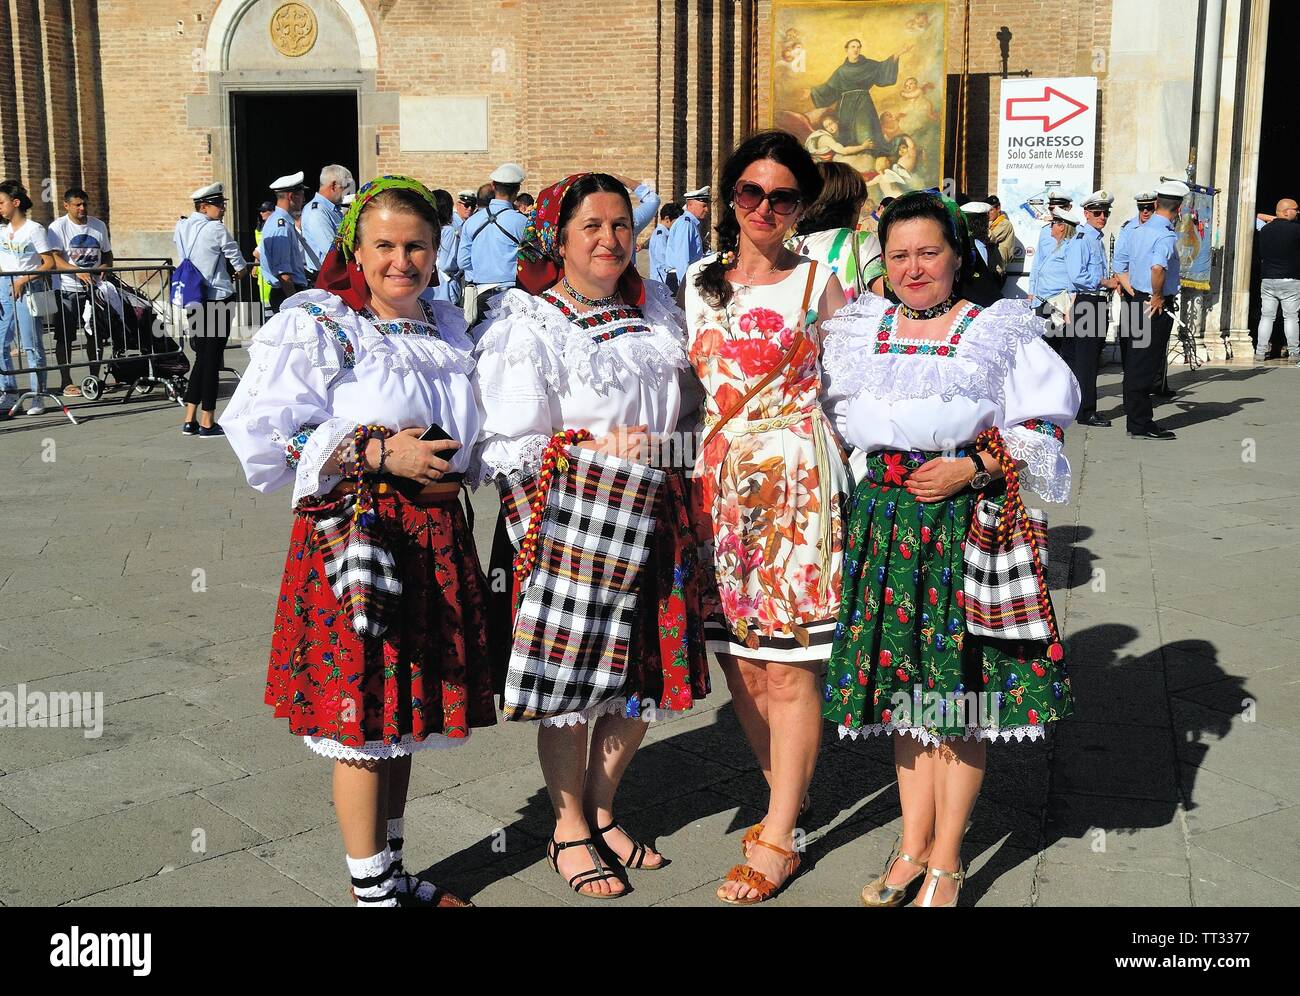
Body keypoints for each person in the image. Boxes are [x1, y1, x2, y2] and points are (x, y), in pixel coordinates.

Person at [222, 176, 491, 908]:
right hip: (357, 538)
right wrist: (374, 451)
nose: (401, 261)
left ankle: (393, 872)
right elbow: (268, 430)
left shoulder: (446, 326)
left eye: (417, 246)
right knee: (363, 721)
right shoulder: (321, 325)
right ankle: (371, 893)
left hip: (433, 536)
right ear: (355, 250)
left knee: (401, 718)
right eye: (385, 246)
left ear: (437, 252)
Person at [820, 190, 1080, 907]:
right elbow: (836, 420)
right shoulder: (859, 329)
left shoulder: (997, 331)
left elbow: (1048, 426)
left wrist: (977, 466)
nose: (913, 267)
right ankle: (910, 848)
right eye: (899, 254)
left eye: (928, 251)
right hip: (884, 526)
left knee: (955, 701)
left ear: (958, 257)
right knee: (908, 700)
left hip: (962, 526)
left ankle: (948, 859)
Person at [474, 173, 710, 898]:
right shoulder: (530, 325)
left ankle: (605, 807)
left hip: (657, 517)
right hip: (576, 527)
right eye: (592, 228)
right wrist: (598, 449)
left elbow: (690, 412)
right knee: (574, 684)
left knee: (645, 676)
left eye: (619, 225)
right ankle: (568, 824)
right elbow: (506, 446)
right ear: (559, 239)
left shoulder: (658, 312)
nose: (610, 240)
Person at [684, 130, 847, 904]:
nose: (764, 208)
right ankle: (790, 788)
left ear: (801, 205)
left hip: (792, 487)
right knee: (739, 660)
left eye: (782, 196)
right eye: (750, 192)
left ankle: (779, 832)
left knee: (789, 666)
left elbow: (854, 389)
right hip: (715, 488)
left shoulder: (821, 285)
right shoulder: (694, 281)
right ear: (729, 197)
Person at [173, 182, 248, 437]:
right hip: (217, 298)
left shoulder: (181, 225)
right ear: (204, 207)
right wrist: (239, 271)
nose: (223, 209)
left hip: (194, 296)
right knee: (211, 359)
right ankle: (207, 421)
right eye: (219, 205)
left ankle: (189, 418)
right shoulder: (216, 229)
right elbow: (236, 257)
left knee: (202, 358)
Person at [1122, 180, 1186, 440]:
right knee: (1146, 364)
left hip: (1137, 300)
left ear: (1157, 203)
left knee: (1136, 362)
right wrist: (1158, 295)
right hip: (1153, 305)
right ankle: (1141, 423)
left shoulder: (1138, 230)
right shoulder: (1166, 235)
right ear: (1179, 207)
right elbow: (1158, 267)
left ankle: (1135, 419)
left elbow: (1124, 264)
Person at [48, 187, 112, 398]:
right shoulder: (57, 227)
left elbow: (107, 254)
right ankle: (66, 381)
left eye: (85, 204)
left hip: (94, 289)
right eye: (77, 205)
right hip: (67, 289)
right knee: (65, 337)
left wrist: (104, 267)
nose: (82, 208)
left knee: (95, 333)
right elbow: (54, 259)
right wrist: (77, 272)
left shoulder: (98, 225)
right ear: (66, 206)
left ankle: (94, 377)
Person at [787, 160, 882, 300]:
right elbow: (888, 301)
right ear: (851, 203)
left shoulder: (785, 248)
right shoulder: (861, 243)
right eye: (860, 201)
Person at [0, 180, 55, 416]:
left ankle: (37, 396)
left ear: (15, 202)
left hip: (28, 288)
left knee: (32, 346)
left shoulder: (34, 229)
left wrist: (24, 279)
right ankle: (9, 391)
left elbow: (49, 262)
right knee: (1, 343)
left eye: (1, 202)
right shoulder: (3, 231)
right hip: (4, 287)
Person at [810, 38, 913, 154]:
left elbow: (884, 68)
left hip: (864, 104)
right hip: (846, 107)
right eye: (853, 47)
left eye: (858, 47)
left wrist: (899, 53)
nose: (856, 49)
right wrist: (812, 92)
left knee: (866, 133)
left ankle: (869, 159)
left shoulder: (868, 65)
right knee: (846, 136)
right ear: (846, 50)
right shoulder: (841, 71)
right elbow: (830, 88)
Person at [458, 163, 529, 323]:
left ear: (493, 186)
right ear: (517, 190)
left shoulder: (471, 222)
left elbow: (463, 262)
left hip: (481, 291)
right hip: (512, 291)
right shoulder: (522, 221)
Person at [1067, 190, 1114, 426]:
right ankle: (1086, 411)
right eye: (1097, 213)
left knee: (1091, 358)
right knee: (1086, 361)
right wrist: (1104, 281)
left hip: (1097, 302)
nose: (1102, 217)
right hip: (1087, 302)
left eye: (1105, 212)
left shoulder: (1096, 239)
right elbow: (1077, 275)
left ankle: (1082, 408)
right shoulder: (1082, 239)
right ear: (1086, 214)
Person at [1028, 205, 1083, 350]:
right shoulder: (1058, 247)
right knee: (1045, 346)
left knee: (1053, 348)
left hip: (1056, 305)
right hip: (1044, 302)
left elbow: (1073, 279)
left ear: (1062, 227)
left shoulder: (1069, 248)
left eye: (1053, 223)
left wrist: (1070, 308)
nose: (1050, 226)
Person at [1253, 198, 1300, 363]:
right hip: (1290, 280)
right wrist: (1281, 219)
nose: (1298, 211)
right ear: (1287, 211)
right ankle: (1294, 353)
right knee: (1291, 317)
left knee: (1266, 317)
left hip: (1267, 280)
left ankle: (1260, 352)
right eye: (1296, 209)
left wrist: (1277, 218)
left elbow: (1256, 216)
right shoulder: (1296, 230)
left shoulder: (1265, 229)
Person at [260, 171, 308, 314]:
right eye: (301, 194)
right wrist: (296, 304)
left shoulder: (278, 221)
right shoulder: (281, 226)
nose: (304, 199)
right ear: (291, 196)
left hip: (286, 292)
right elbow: (284, 273)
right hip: (286, 293)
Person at [301, 165, 354, 286]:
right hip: (326, 278)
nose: (347, 193)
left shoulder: (332, 209)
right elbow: (331, 249)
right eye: (345, 187)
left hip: (335, 275)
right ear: (334, 186)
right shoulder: (317, 211)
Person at [664, 185, 709, 293]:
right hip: (680, 278)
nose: (707, 210)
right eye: (703, 206)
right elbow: (682, 257)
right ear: (691, 205)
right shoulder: (686, 224)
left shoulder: (691, 224)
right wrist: (684, 287)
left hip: (684, 276)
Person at [429, 188, 463, 306]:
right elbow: (446, 264)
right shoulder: (449, 231)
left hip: (429, 279)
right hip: (442, 282)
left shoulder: (428, 229)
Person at [647, 202, 682, 284]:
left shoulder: (666, 234)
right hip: (662, 282)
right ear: (667, 219)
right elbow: (662, 263)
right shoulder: (661, 236)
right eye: (675, 222)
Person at [986, 195, 1018, 279]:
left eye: (991, 210)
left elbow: (990, 238)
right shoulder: (991, 223)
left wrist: (980, 226)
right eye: (986, 211)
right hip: (989, 269)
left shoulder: (1004, 224)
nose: (988, 214)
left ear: (998, 208)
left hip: (996, 271)